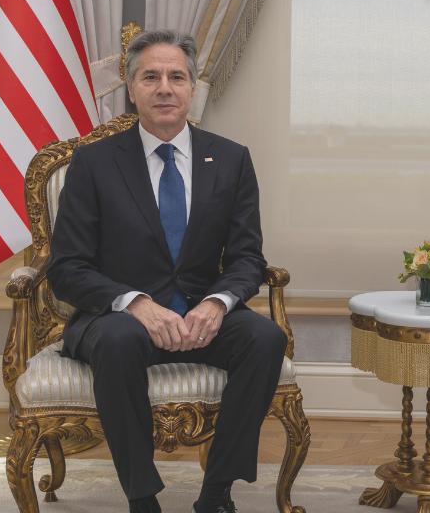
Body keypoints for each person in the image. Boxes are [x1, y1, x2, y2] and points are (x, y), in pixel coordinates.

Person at [48, 30, 286, 513]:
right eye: (150, 77)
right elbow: (67, 267)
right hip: (117, 319)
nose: (164, 88)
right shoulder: (94, 163)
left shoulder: (232, 159)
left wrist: (217, 303)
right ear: (131, 88)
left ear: (192, 88)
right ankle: (142, 497)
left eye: (176, 77)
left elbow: (247, 258)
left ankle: (216, 493)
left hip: (198, 314)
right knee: (118, 340)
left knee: (265, 339)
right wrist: (134, 302)